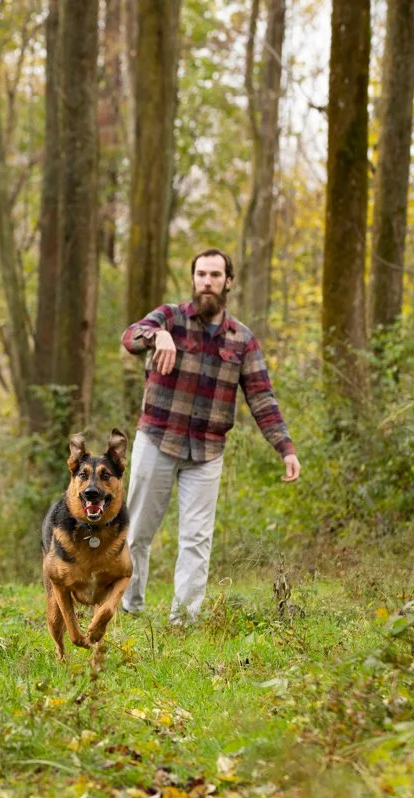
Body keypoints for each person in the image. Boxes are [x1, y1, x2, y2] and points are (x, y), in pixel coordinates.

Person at [119, 248, 301, 623]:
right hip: (157, 439)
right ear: (193, 278)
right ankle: (130, 607)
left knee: (197, 540)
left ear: (228, 282)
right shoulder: (169, 317)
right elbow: (130, 337)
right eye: (201, 274)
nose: (207, 282)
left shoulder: (242, 340)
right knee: (136, 533)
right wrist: (157, 337)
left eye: (216, 275)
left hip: (207, 452)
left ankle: (183, 621)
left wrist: (285, 448)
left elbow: (262, 398)